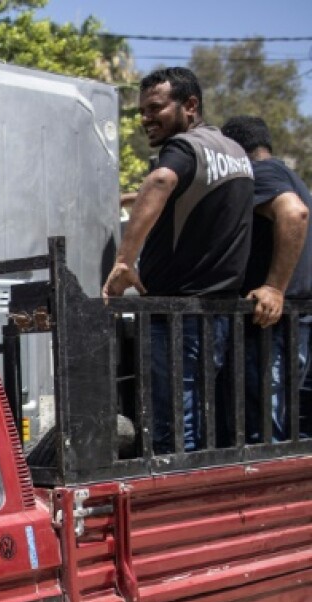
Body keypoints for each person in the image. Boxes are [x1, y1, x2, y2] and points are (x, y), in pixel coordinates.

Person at [102, 67, 253, 452]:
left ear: (189, 105)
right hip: (216, 312)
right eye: (142, 111)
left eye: (155, 108)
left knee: (172, 419)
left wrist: (124, 261)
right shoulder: (234, 152)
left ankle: (170, 492)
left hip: (177, 313)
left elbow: (162, 181)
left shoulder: (184, 147)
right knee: (201, 412)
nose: (146, 119)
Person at [220, 115, 312, 442]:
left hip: (270, 319)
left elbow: (294, 214)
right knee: (278, 414)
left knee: (261, 422)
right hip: (291, 316)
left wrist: (274, 287)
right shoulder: (289, 175)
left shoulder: (262, 173)